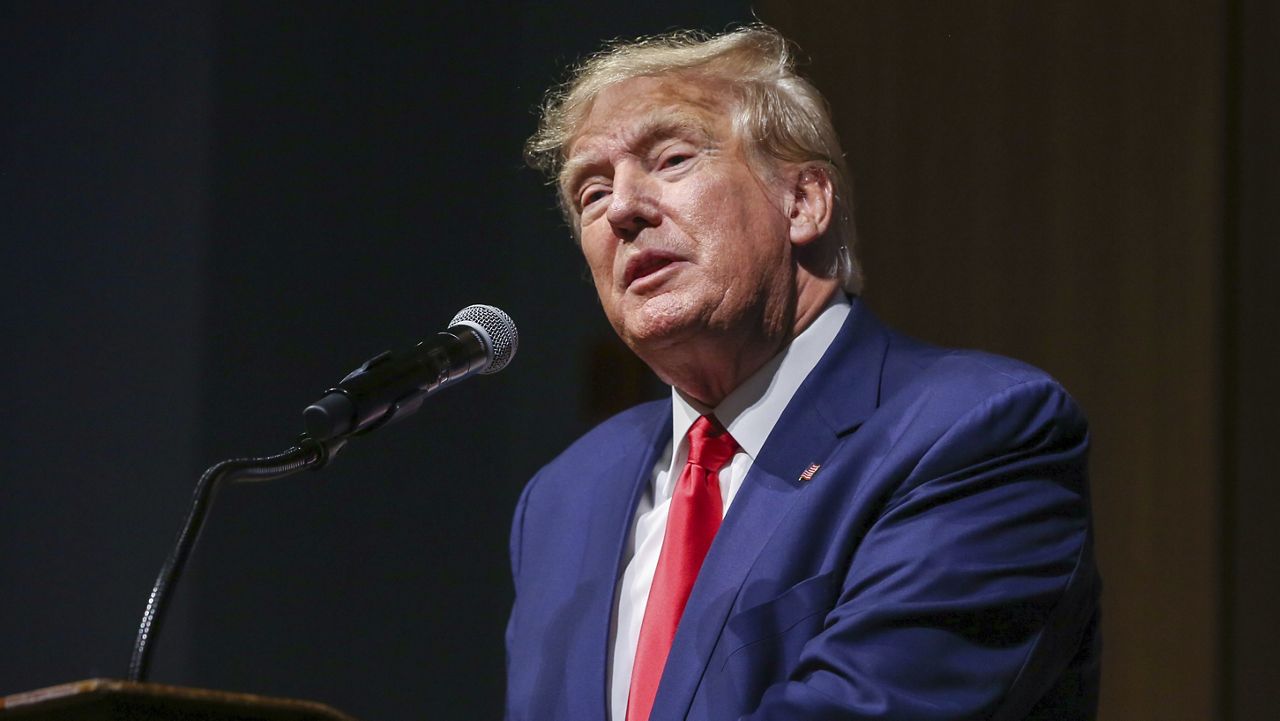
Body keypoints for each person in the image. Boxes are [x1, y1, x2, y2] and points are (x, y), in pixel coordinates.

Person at [506, 25, 1100, 721]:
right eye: (591, 193)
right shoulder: (565, 498)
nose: (623, 210)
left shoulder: (978, 433)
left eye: (670, 159)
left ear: (803, 201)